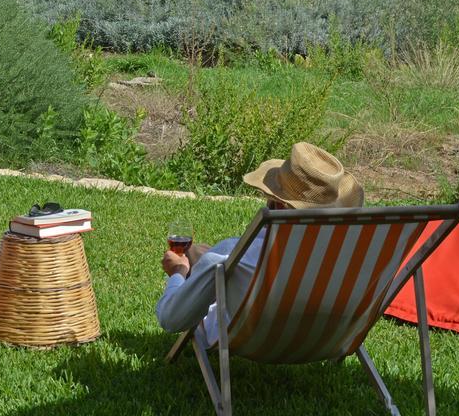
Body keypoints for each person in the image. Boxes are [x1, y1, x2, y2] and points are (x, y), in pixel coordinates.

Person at [156, 142, 364, 346]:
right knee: (201, 253)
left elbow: (171, 319)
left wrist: (178, 272)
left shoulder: (236, 256)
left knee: (204, 258)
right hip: (322, 336)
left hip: (254, 334)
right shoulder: (353, 254)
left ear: (278, 205)